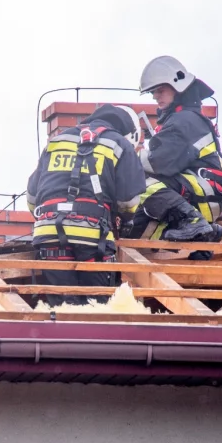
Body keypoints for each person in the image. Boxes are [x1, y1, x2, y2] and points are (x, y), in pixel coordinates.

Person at [27, 104, 147, 306]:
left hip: (49, 236)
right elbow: (128, 202)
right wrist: (125, 221)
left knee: (63, 309)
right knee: (96, 309)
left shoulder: (57, 141)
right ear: (128, 132)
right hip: (93, 240)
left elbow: (32, 199)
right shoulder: (119, 144)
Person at [126, 55, 222, 260]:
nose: (155, 97)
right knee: (137, 225)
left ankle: (193, 222)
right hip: (201, 195)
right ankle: (204, 237)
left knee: (138, 182)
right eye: (153, 92)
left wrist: (125, 160)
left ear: (178, 86)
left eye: (160, 90)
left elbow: (158, 163)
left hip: (200, 193)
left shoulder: (184, 121)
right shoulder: (183, 118)